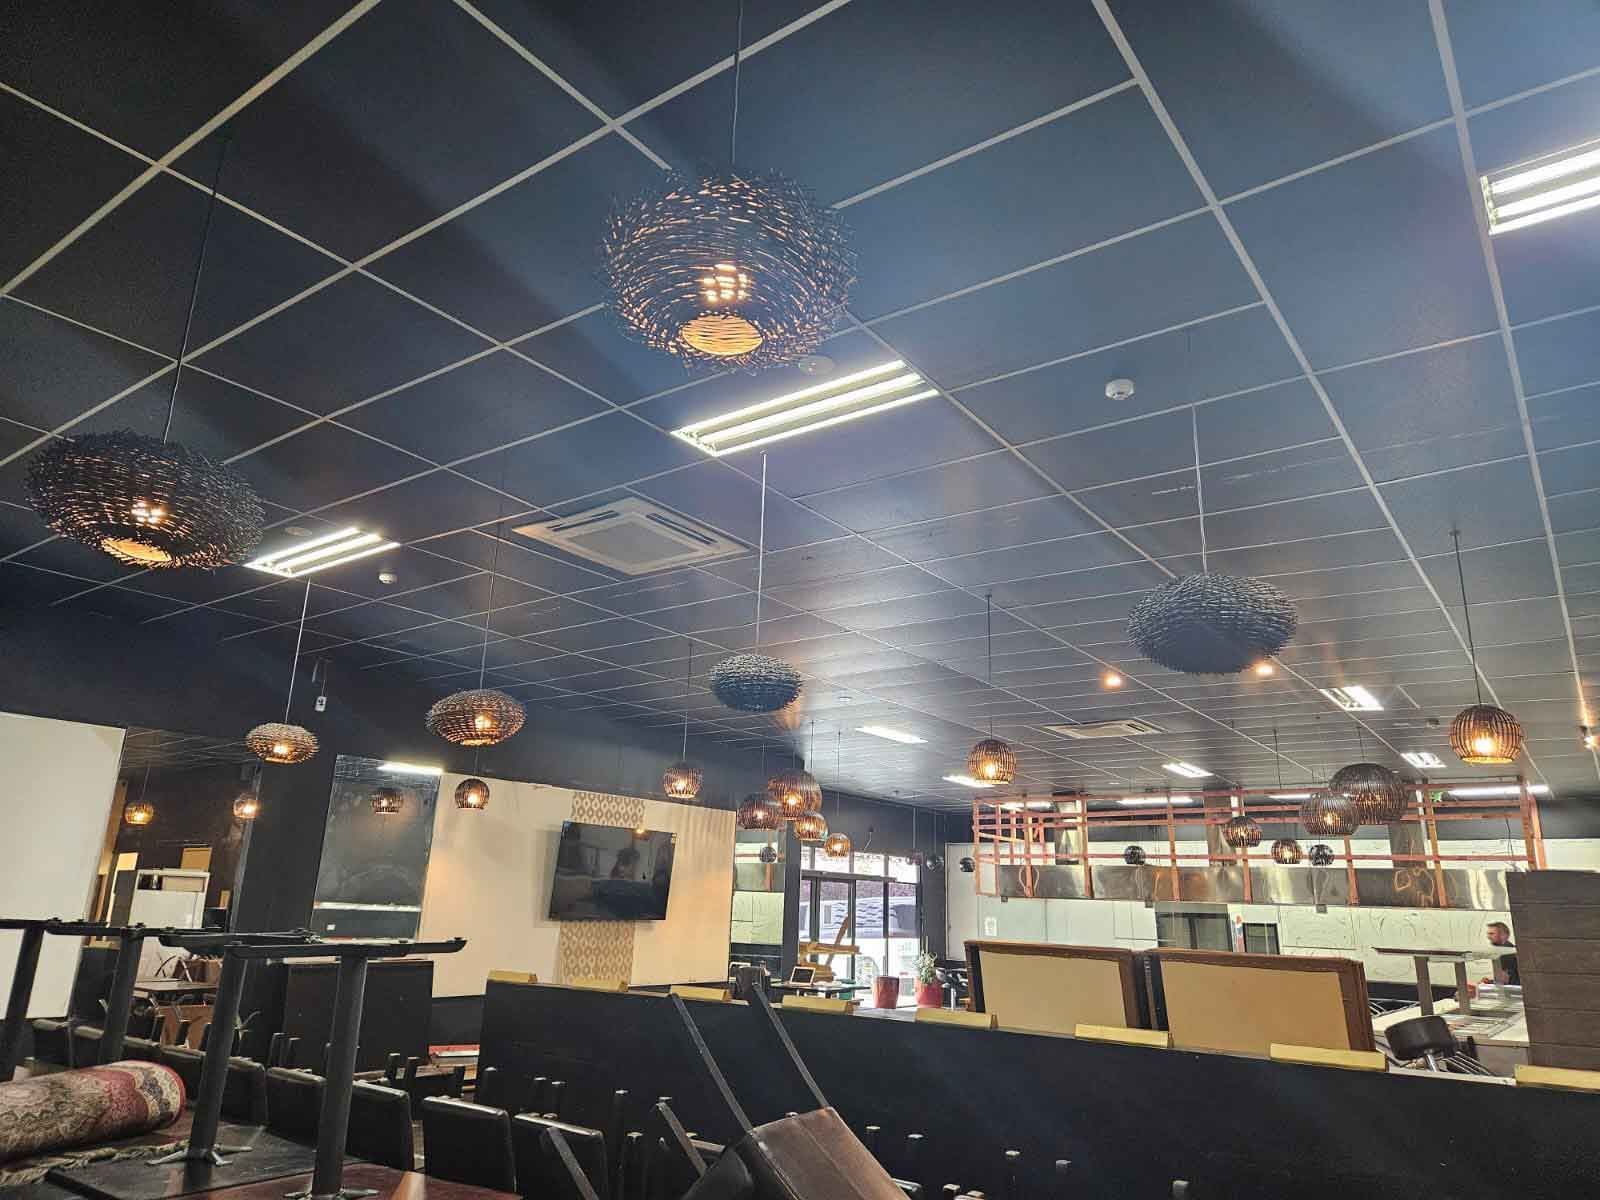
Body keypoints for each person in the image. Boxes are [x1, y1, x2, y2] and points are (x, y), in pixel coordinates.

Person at [1481, 921, 1520, 986]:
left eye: (1492, 934)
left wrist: (1488, 983)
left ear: (1503, 935)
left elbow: (1505, 980)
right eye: (1488, 934)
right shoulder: (1508, 948)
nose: (1488, 937)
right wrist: (1490, 981)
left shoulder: (1506, 952)